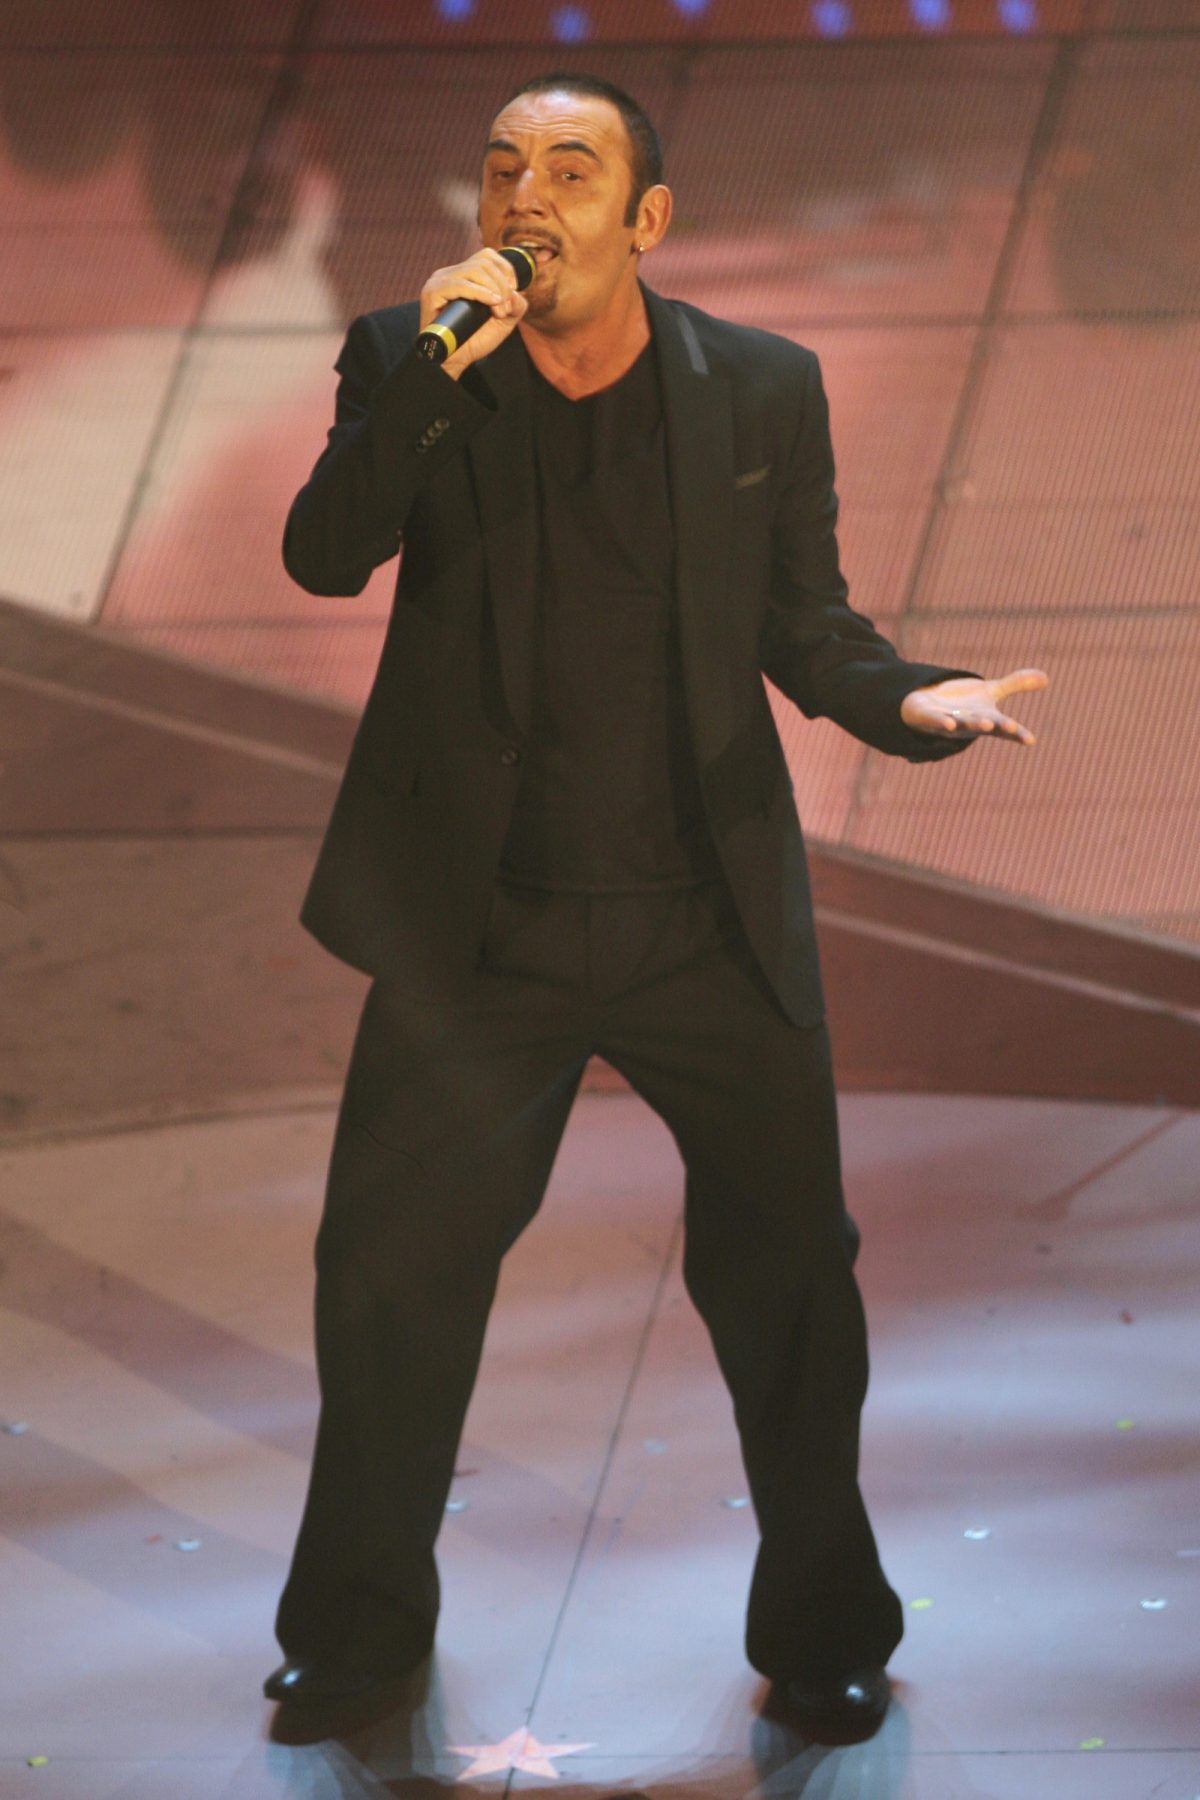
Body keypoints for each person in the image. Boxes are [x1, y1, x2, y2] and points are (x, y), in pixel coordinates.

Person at [264, 70, 1047, 1746]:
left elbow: (805, 622)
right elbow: (327, 554)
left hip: (707, 920)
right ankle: (354, 1635)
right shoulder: (413, 362)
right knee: (389, 1285)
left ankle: (827, 1632)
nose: (525, 200)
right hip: (480, 932)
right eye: (502, 171)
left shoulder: (758, 387)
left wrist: (910, 700)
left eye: (569, 170)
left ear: (648, 218)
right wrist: (428, 379)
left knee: (793, 1289)